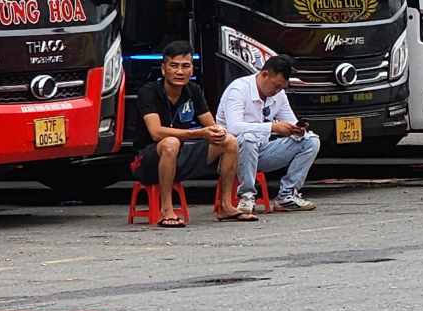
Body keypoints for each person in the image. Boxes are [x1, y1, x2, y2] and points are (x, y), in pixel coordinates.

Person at [134, 41, 249, 226]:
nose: (180, 72)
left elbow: (210, 125)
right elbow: (156, 133)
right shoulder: (149, 92)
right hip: (147, 160)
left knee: (229, 141)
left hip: (180, 156)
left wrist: (216, 132)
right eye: (174, 66)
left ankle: (226, 205)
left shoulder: (193, 90)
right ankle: (167, 210)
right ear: (164, 69)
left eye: (185, 66)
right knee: (170, 142)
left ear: (191, 70)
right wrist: (199, 133)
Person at [220, 55, 322, 211]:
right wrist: (272, 127)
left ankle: (287, 195)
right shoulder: (239, 89)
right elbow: (233, 128)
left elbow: (290, 121)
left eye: (281, 88)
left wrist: (297, 129)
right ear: (264, 74)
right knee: (248, 138)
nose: (277, 91)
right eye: (275, 86)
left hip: (262, 151)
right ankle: (246, 196)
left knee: (311, 140)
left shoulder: (278, 95)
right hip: (232, 154)